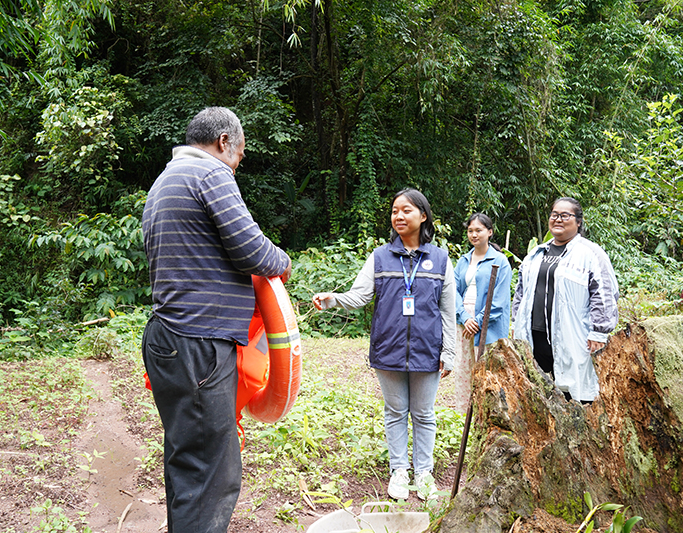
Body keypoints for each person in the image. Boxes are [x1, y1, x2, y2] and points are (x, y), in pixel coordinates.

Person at [141, 106, 291, 533]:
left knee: (189, 460)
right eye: (240, 155)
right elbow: (252, 251)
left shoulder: (165, 181)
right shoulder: (210, 174)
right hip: (199, 343)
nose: (238, 165)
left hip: (169, 339)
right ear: (224, 142)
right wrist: (284, 261)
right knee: (214, 471)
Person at [311, 188, 455, 501]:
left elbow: (448, 311)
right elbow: (361, 295)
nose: (399, 216)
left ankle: (425, 473)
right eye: (394, 211)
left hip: (428, 349)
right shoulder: (380, 257)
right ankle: (399, 471)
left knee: (424, 413)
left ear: (423, 215)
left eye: (406, 210)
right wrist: (333, 300)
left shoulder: (441, 260)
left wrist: (450, 352)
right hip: (388, 349)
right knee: (395, 412)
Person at [511, 197, 618, 403]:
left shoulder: (590, 253)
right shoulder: (536, 253)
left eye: (565, 215)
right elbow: (521, 293)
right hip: (535, 337)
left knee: (576, 396)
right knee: (538, 395)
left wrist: (599, 331)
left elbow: (604, 293)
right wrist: (517, 322)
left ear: (578, 222)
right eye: (554, 215)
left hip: (573, 337)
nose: (558, 219)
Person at [453, 213, 512, 413]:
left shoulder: (500, 261)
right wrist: (464, 317)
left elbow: (499, 301)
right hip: (463, 322)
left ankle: (491, 415)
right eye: (470, 231)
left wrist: (477, 321)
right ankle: (468, 415)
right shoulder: (463, 260)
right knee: (465, 368)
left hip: (489, 325)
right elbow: (453, 291)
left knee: (489, 371)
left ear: (489, 232)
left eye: (478, 230)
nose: (474, 234)